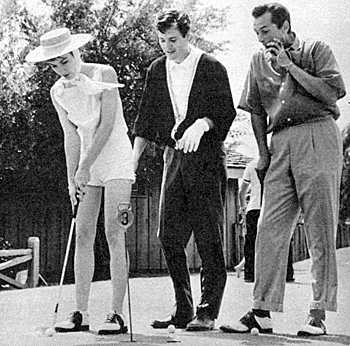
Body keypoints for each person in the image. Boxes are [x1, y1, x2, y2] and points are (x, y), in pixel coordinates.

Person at [220, 3, 346, 337]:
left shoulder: (316, 49)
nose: (261, 39)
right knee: (268, 228)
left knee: (320, 229)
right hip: (279, 144)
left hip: (318, 134)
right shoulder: (257, 62)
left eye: (266, 31)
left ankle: (317, 313)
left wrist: (290, 66)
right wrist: (262, 153)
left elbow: (332, 93)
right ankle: (261, 311)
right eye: (256, 33)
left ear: (285, 26)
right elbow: (257, 111)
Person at [25, 28, 135, 335]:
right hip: (87, 162)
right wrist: (72, 177)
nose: (61, 70)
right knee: (83, 233)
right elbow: (70, 135)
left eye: (64, 61)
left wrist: (85, 166)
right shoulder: (57, 91)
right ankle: (81, 312)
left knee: (115, 231)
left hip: (116, 158)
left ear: (76, 53)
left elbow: (108, 123)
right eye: (54, 65)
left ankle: (116, 313)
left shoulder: (104, 73)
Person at [133, 9, 235, 331]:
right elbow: (146, 118)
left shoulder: (210, 66)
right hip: (174, 156)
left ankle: (208, 311)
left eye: (173, 40)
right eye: (162, 40)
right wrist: (132, 162)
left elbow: (226, 111)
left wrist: (204, 123)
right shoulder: (156, 69)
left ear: (186, 35)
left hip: (205, 156)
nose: (167, 46)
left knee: (207, 234)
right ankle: (183, 309)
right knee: (168, 234)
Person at [238, 158, 294, 283]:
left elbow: (242, 191)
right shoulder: (278, 162)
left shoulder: (252, 165)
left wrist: (243, 207)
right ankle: (287, 273)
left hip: (254, 208)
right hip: (273, 207)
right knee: (282, 239)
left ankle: (250, 274)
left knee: (251, 242)